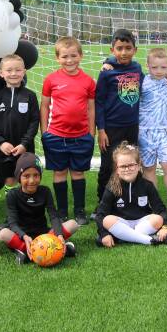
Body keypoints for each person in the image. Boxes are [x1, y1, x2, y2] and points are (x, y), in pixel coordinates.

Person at [40, 36, 96, 225]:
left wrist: (91, 133)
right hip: (56, 136)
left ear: (80, 56)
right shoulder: (51, 80)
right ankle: (62, 211)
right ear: (57, 58)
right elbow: (45, 106)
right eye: (64, 56)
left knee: (78, 173)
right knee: (59, 173)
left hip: (81, 136)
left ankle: (80, 211)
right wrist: (44, 131)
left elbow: (91, 108)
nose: (69, 60)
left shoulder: (88, 81)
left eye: (73, 55)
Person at [0, 153, 78, 264]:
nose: (31, 181)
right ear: (19, 177)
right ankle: (30, 249)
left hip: (42, 234)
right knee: (3, 234)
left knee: (73, 224)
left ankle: (28, 251)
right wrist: (24, 236)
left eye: (36, 175)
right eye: (26, 176)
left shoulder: (45, 191)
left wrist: (59, 235)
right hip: (21, 235)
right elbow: (12, 222)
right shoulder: (12, 194)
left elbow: (53, 216)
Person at [95, 29, 143, 206]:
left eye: (128, 48)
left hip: (132, 126)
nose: (124, 52)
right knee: (108, 166)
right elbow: (98, 102)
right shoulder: (107, 72)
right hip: (111, 128)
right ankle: (102, 202)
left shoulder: (137, 68)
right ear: (112, 50)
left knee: (131, 163)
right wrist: (101, 130)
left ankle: (129, 199)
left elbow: (147, 84)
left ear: (135, 50)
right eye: (119, 48)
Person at [95, 142, 167, 247]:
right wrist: (104, 234)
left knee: (157, 219)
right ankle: (149, 240)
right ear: (117, 169)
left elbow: (161, 210)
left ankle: (124, 237)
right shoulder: (112, 187)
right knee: (108, 220)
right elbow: (100, 215)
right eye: (123, 166)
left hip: (142, 224)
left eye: (131, 165)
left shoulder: (147, 185)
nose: (127, 169)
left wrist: (165, 227)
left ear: (138, 165)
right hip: (121, 224)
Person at [138, 48, 167, 213]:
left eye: (163, 68)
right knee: (148, 168)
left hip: (164, 132)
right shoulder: (141, 81)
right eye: (154, 67)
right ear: (147, 66)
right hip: (145, 133)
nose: (159, 71)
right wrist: (107, 64)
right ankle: (154, 201)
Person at [0, 54, 40, 190]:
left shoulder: (30, 96)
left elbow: (34, 122)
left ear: (24, 72)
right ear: (1, 73)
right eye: (9, 70)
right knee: (9, 180)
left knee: (27, 179)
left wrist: (24, 143)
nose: (14, 74)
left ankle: (28, 206)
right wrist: (0, 142)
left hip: (25, 147)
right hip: (4, 148)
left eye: (18, 70)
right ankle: (12, 207)